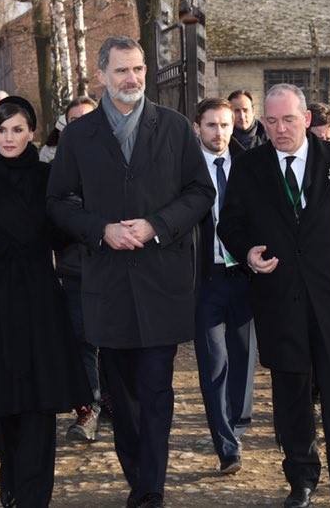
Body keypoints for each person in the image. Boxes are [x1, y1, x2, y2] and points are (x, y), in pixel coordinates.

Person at [47, 36, 214, 507]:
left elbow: (201, 192)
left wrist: (157, 226)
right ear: (101, 75)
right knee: (121, 397)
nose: (132, 79)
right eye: (122, 71)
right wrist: (101, 229)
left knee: (157, 389)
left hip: (162, 283)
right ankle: (138, 473)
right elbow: (57, 203)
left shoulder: (177, 128)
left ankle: (150, 489)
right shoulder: (79, 136)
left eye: (139, 69)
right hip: (107, 287)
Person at [217, 83, 330, 508]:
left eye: (288, 119)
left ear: (306, 119)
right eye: (270, 121)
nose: (279, 129)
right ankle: (301, 478)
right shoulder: (249, 166)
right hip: (279, 301)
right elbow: (229, 225)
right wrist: (247, 252)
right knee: (291, 397)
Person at [0, 96, 90, 507]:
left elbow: (64, 236)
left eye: (17, 129)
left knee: (38, 411)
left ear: (31, 132)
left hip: (39, 301)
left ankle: (31, 497)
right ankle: (12, 479)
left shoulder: (50, 177)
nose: (8, 138)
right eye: (1, 130)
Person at [192, 97, 256, 475]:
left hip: (244, 276)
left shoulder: (249, 165)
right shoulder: (185, 170)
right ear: (198, 126)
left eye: (226, 125)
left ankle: (238, 421)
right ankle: (226, 443)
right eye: (212, 125)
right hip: (206, 279)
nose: (219, 133)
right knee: (214, 361)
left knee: (244, 357)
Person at [53, 95, 105, 443]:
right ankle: (89, 409)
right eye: (75, 120)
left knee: (114, 342)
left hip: (117, 267)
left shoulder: (119, 159)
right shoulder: (58, 167)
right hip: (75, 269)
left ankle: (114, 403)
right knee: (83, 341)